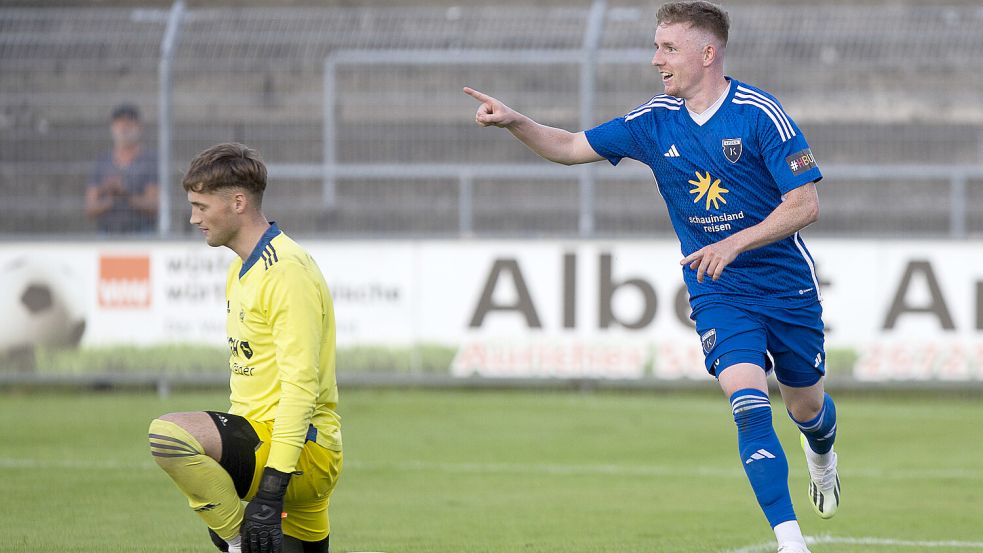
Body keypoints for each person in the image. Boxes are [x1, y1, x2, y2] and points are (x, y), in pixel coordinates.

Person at [464, 2, 838, 552]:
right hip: (718, 289)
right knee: (749, 404)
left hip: (785, 287)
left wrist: (733, 242)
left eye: (668, 47)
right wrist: (516, 121)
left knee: (806, 407)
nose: (655, 57)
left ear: (707, 53)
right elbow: (570, 147)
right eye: (656, 45)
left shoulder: (760, 114)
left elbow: (804, 204)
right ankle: (790, 542)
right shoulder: (653, 119)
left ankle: (822, 453)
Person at [149, 143, 343, 553]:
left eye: (201, 205)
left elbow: (300, 387)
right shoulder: (241, 268)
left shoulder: (285, 270)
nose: (193, 218)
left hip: (299, 453)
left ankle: (238, 544)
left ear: (237, 202)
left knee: (169, 435)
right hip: (275, 448)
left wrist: (271, 489)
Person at [85, 103, 159, 233]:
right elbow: (90, 208)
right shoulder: (102, 162)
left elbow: (154, 206)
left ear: (139, 127)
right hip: (107, 232)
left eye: (128, 123)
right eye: (119, 123)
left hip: (141, 231)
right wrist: (111, 196)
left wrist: (126, 195)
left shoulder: (149, 161)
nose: (124, 128)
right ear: (112, 127)